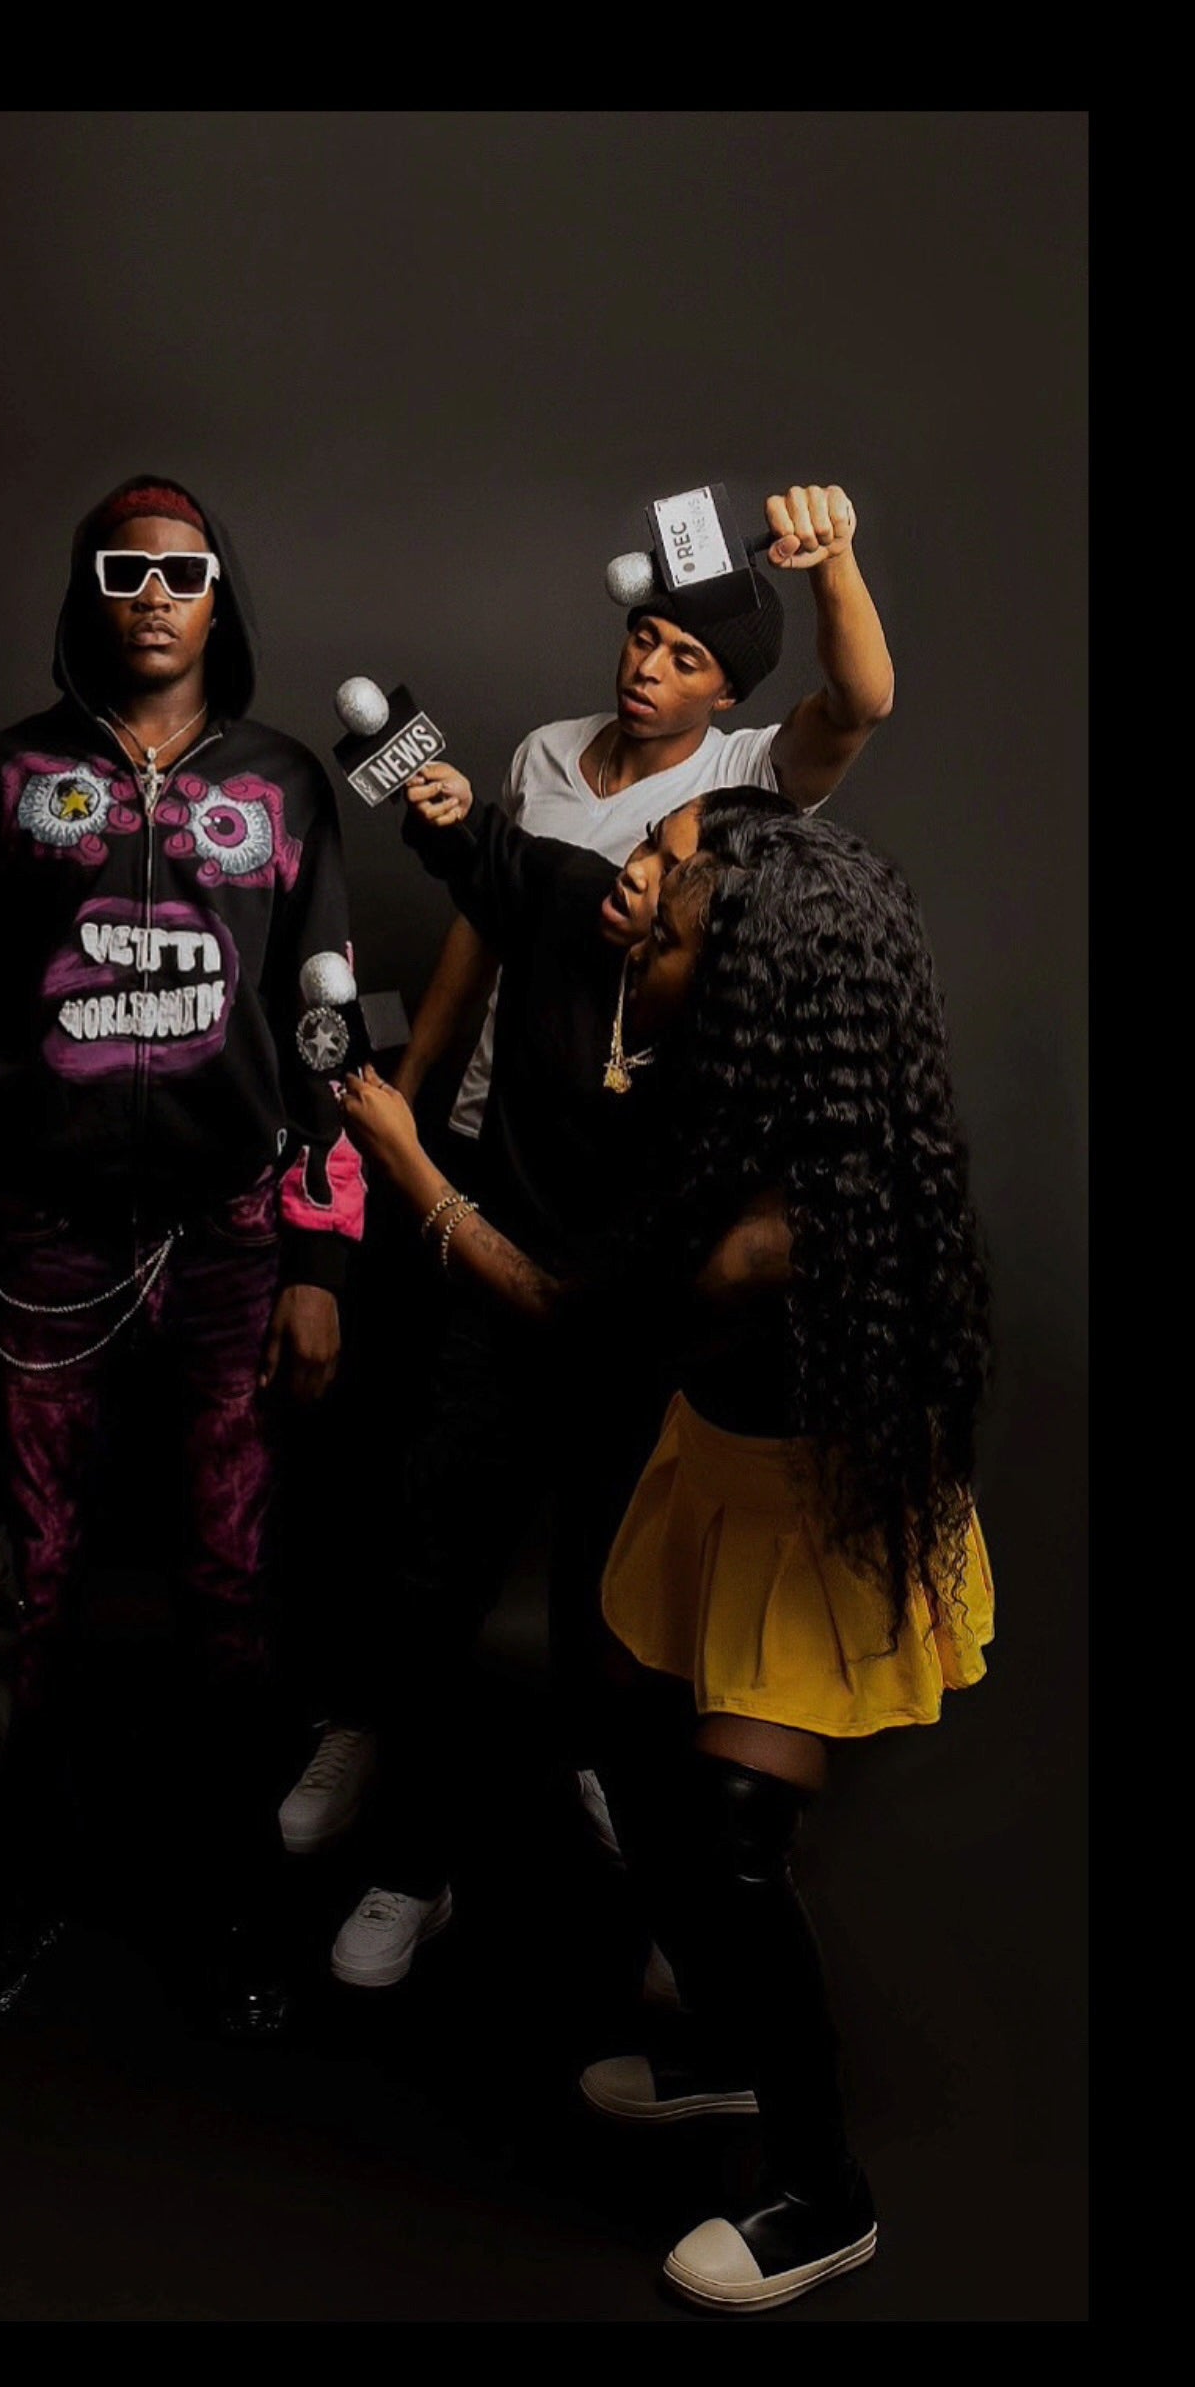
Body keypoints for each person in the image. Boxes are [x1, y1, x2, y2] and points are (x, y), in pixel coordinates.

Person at [340, 792, 994, 2313]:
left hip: (809, 1521)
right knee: (625, 1735)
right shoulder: (749, 1079)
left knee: (729, 1831)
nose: (644, 899)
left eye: (676, 901)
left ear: (751, 973)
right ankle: (718, 2041)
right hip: (714, 1465)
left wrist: (414, 1171)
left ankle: (820, 2193)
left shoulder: (771, 1228)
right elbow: (548, 892)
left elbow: (562, 1314)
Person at [285, 483, 895, 1856]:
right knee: (432, 1486)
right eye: (641, 636)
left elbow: (857, 701)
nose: (648, 666)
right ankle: (383, 1728)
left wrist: (836, 560)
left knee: (605, 1523)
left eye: (686, 655)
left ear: (727, 692)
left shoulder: (743, 785)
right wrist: (412, 1101)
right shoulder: (547, 762)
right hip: (493, 1138)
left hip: (621, 1177)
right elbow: (488, 918)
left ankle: (599, 1756)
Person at [0, 476, 361, 2038]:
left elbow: (323, 1025)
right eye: (123, 568)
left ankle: (228, 1899)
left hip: (230, 1236)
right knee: (29, 1574)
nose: (152, 592)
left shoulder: (283, 784)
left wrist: (320, 1256)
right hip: (42, 1230)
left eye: (182, 569)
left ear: (220, 594)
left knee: (229, 1578)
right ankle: (18, 1880)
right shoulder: (8, 772)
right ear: (87, 590)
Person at [306, 777, 792, 1993]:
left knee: (611, 1633)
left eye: (669, 870)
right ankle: (411, 1862)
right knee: (426, 1582)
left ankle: (674, 1900)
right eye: (646, 844)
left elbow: (584, 1311)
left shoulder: (742, 1072)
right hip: (492, 1324)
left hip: (632, 1355)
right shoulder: (574, 895)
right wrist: (434, 799)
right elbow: (476, 850)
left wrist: (415, 1174)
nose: (634, 869)